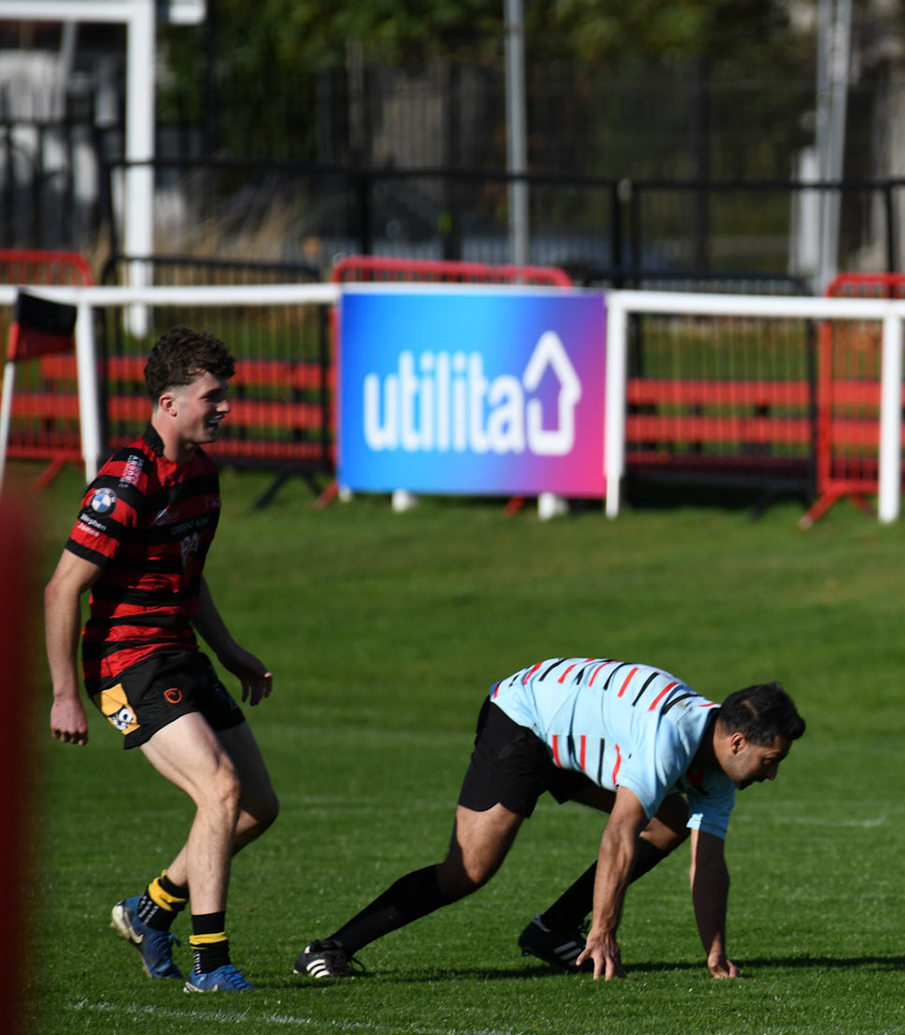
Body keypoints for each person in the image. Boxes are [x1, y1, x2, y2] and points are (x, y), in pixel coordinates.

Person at [294, 661, 803, 980]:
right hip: (525, 719)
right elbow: (619, 833)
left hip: (577, 742)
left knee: (669, 820)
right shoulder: (670, 736)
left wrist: (715, 953)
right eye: (770, 761)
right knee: (468, 870)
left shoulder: (719, 772)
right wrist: (603, 932)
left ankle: (550, 931)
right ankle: (329, 949)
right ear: (737, 742)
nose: (772, 775)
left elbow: (708, 863)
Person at [44, 327, 278, 993]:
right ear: (171, 403)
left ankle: (151, 912)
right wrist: (64, 693)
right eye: (212, 396)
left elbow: (188, 576)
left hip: (179, 654)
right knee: (220, 791)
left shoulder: (202, 473)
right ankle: (210, 963)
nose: (224, 408)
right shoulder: (128, 477)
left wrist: (233, 654)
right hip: (126, 663)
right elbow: (62, 588)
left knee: (258, 806)